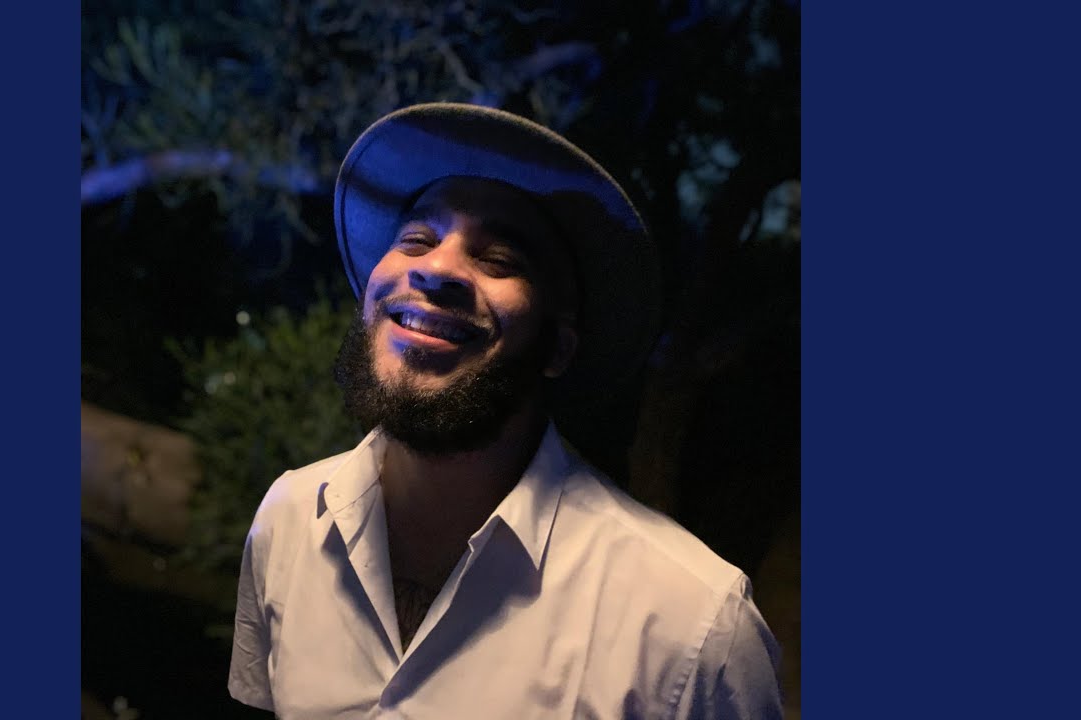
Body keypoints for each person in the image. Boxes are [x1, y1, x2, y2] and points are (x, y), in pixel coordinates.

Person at [228, 103, 783, 719]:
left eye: (499, 260)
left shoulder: (692, 629)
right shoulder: (288, 519)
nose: (437, 268)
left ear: (558, 348)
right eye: (416, 239)